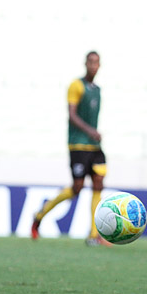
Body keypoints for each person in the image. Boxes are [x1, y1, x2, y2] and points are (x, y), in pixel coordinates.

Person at [31, 51, 109, 246]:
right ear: (85, 64)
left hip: (94, 145)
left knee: (98, 183)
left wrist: (93, 134)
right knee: (77, 188)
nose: (93, 65)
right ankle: (40, 214)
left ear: (100, 66)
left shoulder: (97, 89)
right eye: (90, 62)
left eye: (96, 62)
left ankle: (94, 235)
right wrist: (90, 130)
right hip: (78, 144)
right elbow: (71, 115)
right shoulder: (76, 85)